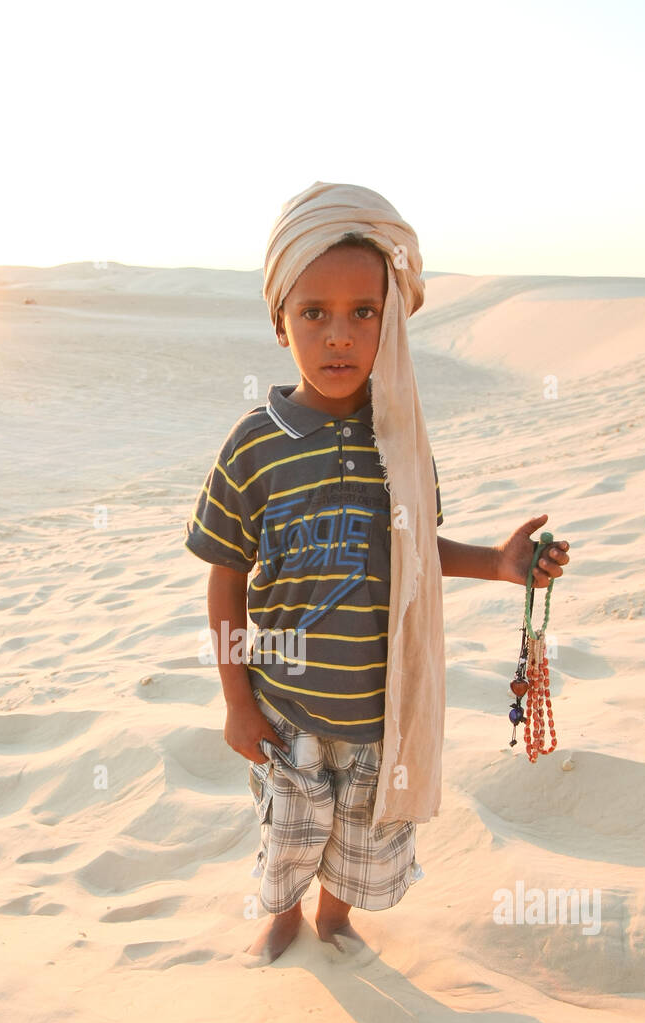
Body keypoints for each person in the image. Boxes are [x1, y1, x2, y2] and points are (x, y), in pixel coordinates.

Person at [184, 182, 570, 963]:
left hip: (378, 712)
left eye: (365, 313)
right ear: (279, 319)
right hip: (284, 707)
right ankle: (284, 916)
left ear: (392, 321)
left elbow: (416, 557)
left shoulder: (399, 438)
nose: (339, 337)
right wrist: (235, 702)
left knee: (360, 838)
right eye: (314, 313)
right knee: (289, 834)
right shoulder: (256, 443)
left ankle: (334, 918)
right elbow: (225, 577)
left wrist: (499, 565)